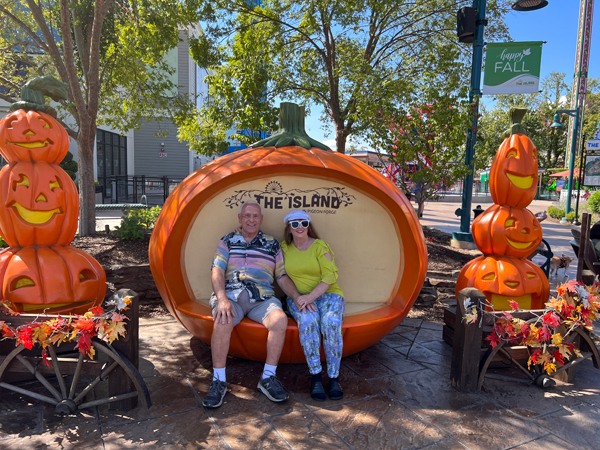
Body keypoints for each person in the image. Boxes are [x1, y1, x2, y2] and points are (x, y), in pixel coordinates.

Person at [203, 201, 301, 408]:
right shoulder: (227, 240)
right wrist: (221, 299)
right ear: (240, 218)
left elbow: (281, 276)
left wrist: (297, 298)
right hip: (231, 297)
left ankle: (267, 378)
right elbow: (217, 271)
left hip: (262, 299)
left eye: (255, 216)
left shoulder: (272, 244)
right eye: (247, 216)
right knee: (222, 321)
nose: (251, 220)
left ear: (261, 220)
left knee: (280, 320)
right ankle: (218, 381)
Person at [281, 210, 345, 401]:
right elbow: (281, 276)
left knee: (331, 322)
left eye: (304, 223)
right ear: (289, 228)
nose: (300, 227)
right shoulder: (283, 248)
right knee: (308, 321)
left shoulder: (320, 246)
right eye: (295, 224)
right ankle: (316, 377)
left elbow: (329, 277)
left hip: (328, 295)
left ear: (309, 225)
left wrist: (310, 297)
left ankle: (334, 378)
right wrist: (300, 298)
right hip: (298, 297)